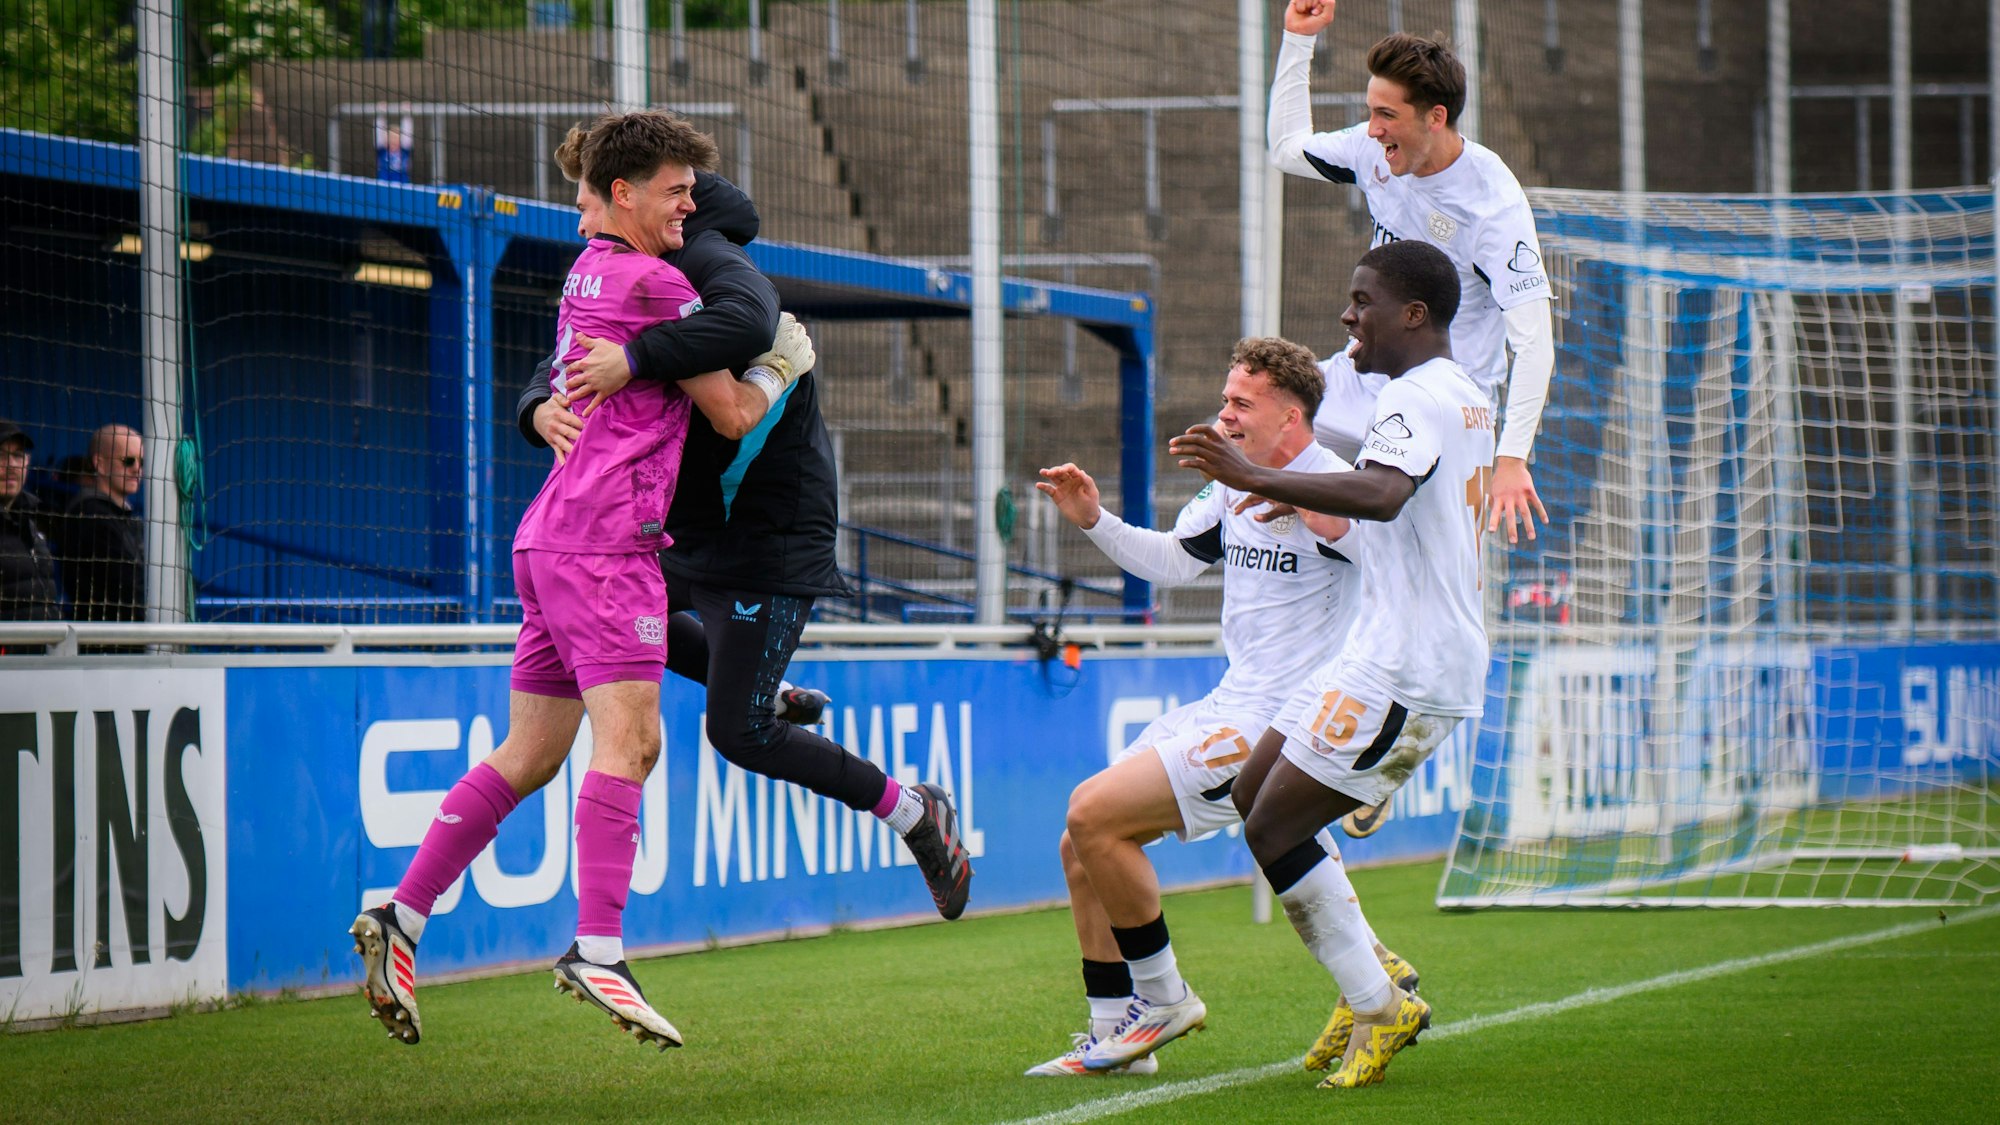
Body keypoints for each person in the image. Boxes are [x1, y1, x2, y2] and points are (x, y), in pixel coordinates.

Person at [351, 110, 790, 1051]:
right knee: (633, 742)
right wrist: (782, 367)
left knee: (530, 753)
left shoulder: (589, 268)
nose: (690, 207)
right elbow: (730, 412)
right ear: (623, 194)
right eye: (676, 191)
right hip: (607, 547)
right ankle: (599, 947)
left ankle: (403, 913)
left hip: (550, 536)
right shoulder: (659, 282)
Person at [518, 130, 976, 923]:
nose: (579, 224)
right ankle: (768, 681)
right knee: (617, 606)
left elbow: (754, 319)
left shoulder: (705, 256)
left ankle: (913, 811)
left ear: (624, 193)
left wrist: (637, 360)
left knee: (741, 733)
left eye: (583, 204)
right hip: (685, 526)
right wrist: (536, 406)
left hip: (769, 534)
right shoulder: (623, 264)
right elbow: (564, 352)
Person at [1025, 338, 1415, 1078]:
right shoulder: (1234, 485)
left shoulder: (1338, 483)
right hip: (1228, 702)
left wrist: (1306, 502)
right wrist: (1094, 519)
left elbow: (1370, 552)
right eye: (1225, 398)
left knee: (1092, 813)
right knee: (1081, 843)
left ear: (1291, 415)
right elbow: (1175, 561)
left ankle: (1166, 998)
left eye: (1242, 403)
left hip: (1280, 721)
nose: (1225, 414)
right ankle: (1113, 1032)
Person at [1171, 241, 1493, 1090]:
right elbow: (1391, 494)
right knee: (1254, 793)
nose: (1348, 316)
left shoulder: (1412, 397)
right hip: (1380, 648)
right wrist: (1286, 481)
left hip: (1409, 663)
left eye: (1362, 300)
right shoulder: (1463, 392)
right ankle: (1371, 975)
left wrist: (1250, 471)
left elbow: (1382, 493)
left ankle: (1379, 1003)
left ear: (1413, 314)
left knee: (1272, 827)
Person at [1269, 0, 1552, 546]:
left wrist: (1512, 457)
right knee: (1249, 422)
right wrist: (1298, 39)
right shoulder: (1372, 151)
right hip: (1367, 375)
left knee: (1409, 556)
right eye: (1370, 112)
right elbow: (1286, 150)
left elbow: (1535, 343)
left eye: (1387, 115)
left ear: (1435, 117)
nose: (1372, 129)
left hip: (1447, 405)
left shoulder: (1492, 204)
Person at [56, 423, 145, 622]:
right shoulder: (91, 515)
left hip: (123, 630)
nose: (137, 469)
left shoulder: (120, 516)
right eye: (128, 461)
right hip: (106, 633)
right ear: (100, 464)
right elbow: (126, 587)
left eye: (141, 462)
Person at [0, 419, 63, 644]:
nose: (11, 465)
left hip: (44, 654)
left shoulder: (33, 519)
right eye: (1, 455)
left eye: (18, 456)